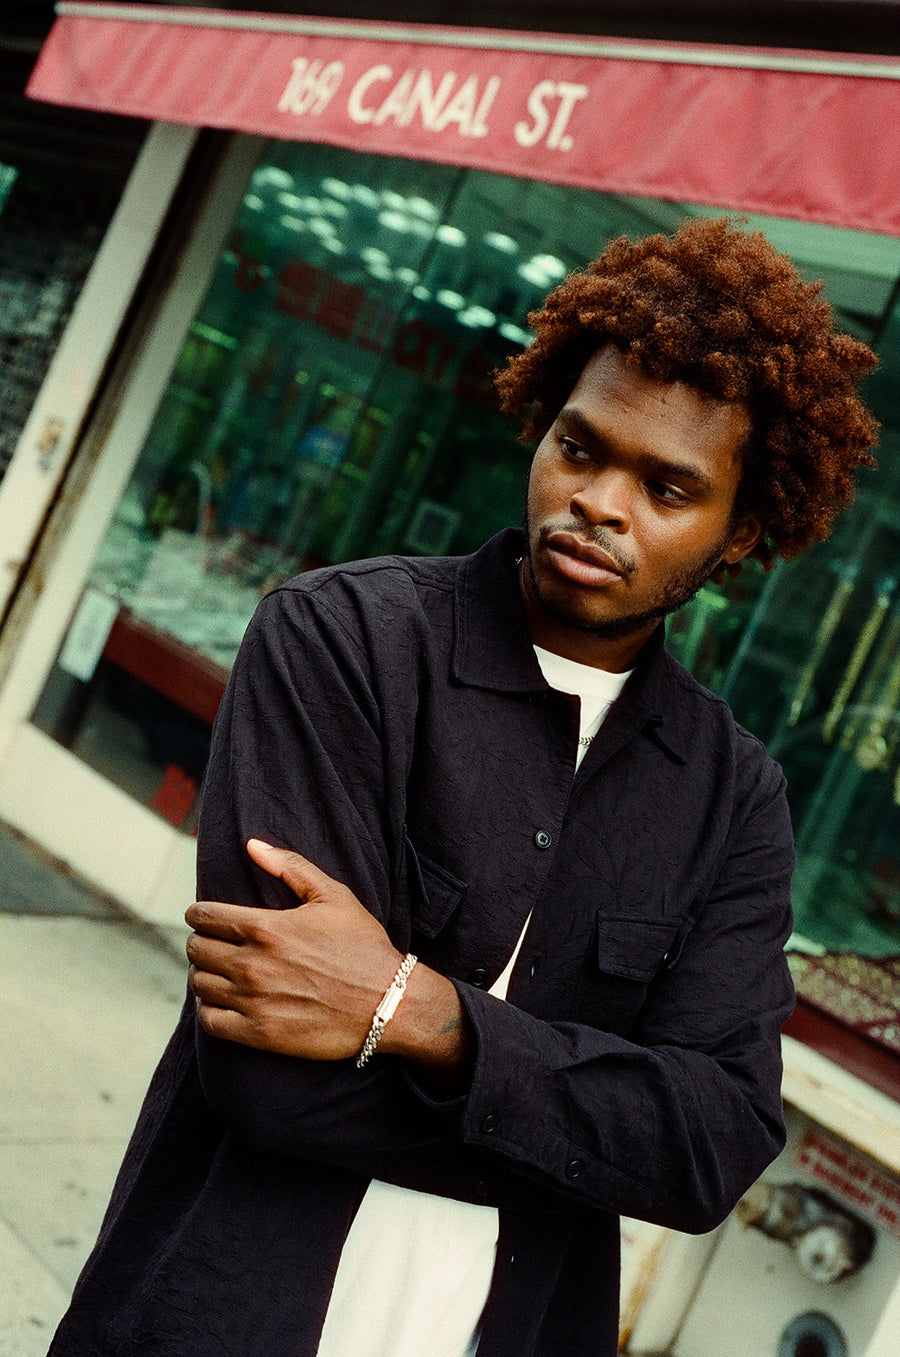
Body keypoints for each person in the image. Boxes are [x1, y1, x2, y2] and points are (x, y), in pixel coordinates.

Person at [48, 216, 878, 1357]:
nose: (601, 501)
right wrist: (586, 1124)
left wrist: (412, 1012)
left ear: (740, 536)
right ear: (541, 429)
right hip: (220, 1309)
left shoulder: (733, 800)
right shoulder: (343, 641)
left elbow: (708, 1147)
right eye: (581, 448)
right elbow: (267, 1081)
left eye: (668, 487)